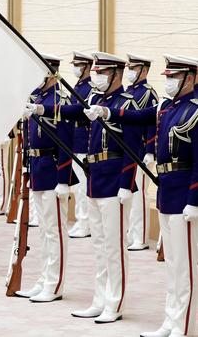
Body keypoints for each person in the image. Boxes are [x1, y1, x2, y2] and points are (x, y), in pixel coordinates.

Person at [85, 54, 198, 337]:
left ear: (191, 78)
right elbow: (138, 116)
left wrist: (194, 200)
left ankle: (186, 326)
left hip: (185, 192)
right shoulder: (166, 107)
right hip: (168, 190)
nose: (169, 81)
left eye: (174, 76)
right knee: (173, 264)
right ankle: (172, 320)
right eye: (168, 76)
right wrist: (109, 113)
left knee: (186, 266)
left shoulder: (195, 111)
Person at [27, 52, 140, 323]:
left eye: (101, 72)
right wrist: (44, 110)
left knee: (114, 247)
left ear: (115, 74)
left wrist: (126, 183)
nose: (96, 76)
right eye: (96, 71)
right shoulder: (94, 100)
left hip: (115, 180)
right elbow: (72, 111)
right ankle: (100, 299)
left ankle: (115, 302)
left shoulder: (129, 103)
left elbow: (133, 146)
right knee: (100, 245)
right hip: (95, 177)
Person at [16, 54, 75, 303]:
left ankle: (55, 283)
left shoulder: (60, 99)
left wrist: (64, 178)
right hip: (38, 167)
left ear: (51, 73)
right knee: (43, 230)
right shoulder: (38, 98)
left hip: (52, 169)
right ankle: (43, 279)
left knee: (55, 231)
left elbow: (66, 140)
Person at [124, 53, 158, 251]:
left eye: (134, 68)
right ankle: (130, 232)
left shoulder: (148, 93)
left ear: (144, 70)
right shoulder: (130, 91)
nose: (130, 71)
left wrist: (150, 150)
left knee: (139, 196)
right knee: (129, 194)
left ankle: (141, 237)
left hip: (141, 151)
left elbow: (152, 123)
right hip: (129, 149)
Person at [67, 51, 94, 238]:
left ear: (87, 66)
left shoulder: (91, 88)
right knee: (77, 186)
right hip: (75, 139)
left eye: (79, 65)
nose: (76, 68)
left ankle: (85, 222)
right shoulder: (78, 85)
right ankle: (80, 219)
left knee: (84, 185)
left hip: (84, 140)